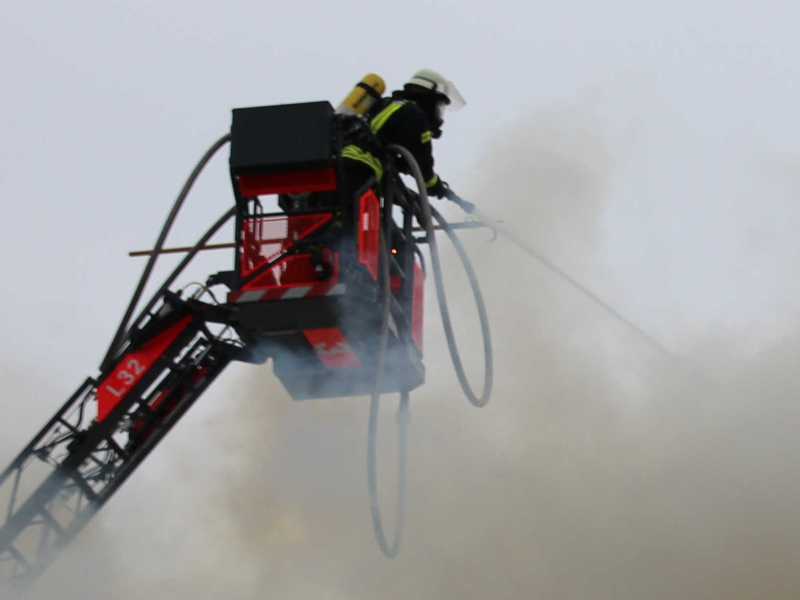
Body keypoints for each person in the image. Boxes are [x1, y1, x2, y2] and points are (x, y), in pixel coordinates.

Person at [341, 68, 466, 201]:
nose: (438, 111)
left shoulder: (389, 106)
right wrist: (438, 187)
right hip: (359, 172)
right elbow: (422, 164)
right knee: (354, 218)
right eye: (439, 104)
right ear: (429, 97)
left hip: (344, 167)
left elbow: (379, 143)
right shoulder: (414, 114)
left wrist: (400, 165)